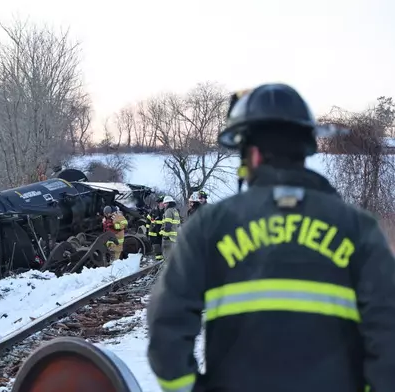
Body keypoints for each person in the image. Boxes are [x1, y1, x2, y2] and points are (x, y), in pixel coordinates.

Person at [146, 83, 395, 392]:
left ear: (252, 154)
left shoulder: (208, 226)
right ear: (306, 148)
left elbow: (165, 328)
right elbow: (388, 332)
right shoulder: (359, 228)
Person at [159, 196, 181, 261]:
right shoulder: (175, 211)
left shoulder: (168, 211)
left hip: (168, 238)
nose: (164, 205)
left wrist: (165, 235)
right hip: (174, 238)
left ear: (168, 203)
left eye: (165, 203)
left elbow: (168, 225)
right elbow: (178, 224)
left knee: (167, 257)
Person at [146, 196, 165, 261]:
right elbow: (148, 221)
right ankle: (158, 263)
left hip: (163, 233)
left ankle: (164, 261)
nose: (162, 204)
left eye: (163, 202)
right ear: (158, 203)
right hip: (154, 234)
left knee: (164, 248)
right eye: (161, 202)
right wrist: (147, 231)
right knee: (157, 249)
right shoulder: (153, 211)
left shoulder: (167, 211)